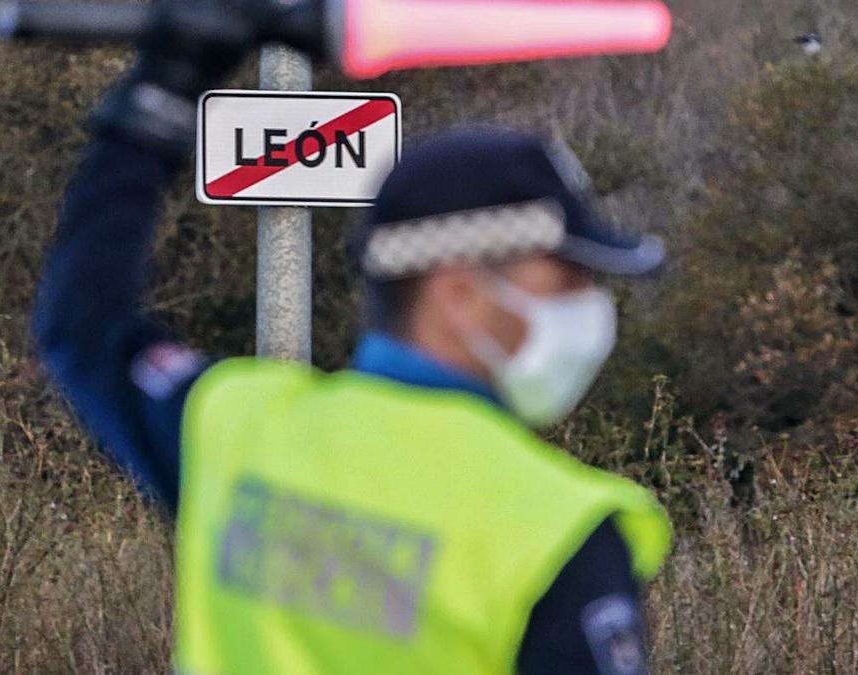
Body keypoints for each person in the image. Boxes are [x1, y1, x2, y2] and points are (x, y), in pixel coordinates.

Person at [33, 2, 671, 673]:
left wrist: (158, 96)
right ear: (458, 294)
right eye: (567, 279)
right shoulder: (553, 530)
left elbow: (81, 325)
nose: (591, 309)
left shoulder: (237, 430)